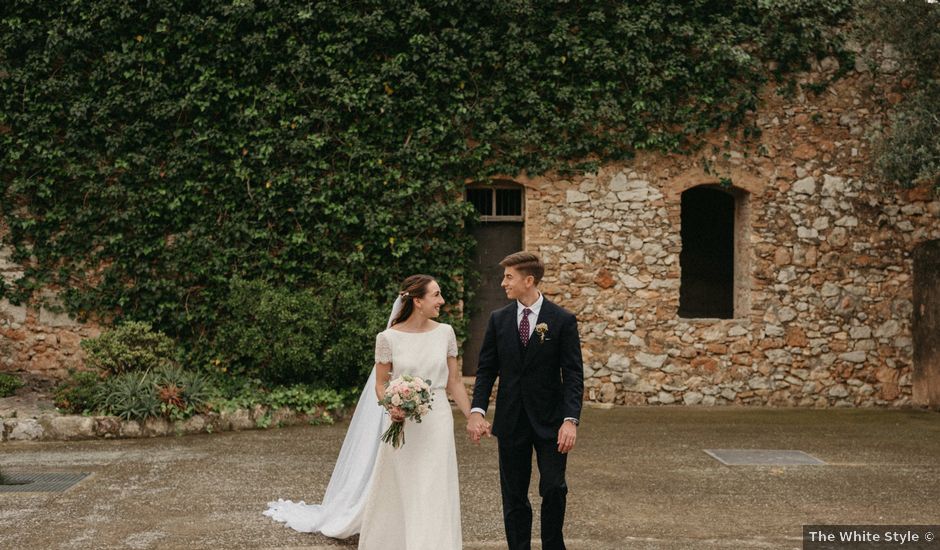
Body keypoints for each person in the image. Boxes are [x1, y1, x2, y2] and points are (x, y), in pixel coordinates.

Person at [265, 274, 471, 550]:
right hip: (402, 421)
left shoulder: (445, 332)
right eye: (436, 295)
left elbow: (454, 382)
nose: (442, 300)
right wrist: (393, 406)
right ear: (418, 301)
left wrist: (473, 416)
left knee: (435, 483)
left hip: (438, 420)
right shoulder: (388, 338)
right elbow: (381, 383)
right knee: (402, 484)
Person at [467, 251, 584, 550]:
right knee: (515, 494)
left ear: (528, 280)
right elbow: (486, 370)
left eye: (509, 277)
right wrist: (477, 411)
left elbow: (573, 375)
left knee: (554, 487)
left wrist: (570, 420)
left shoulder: (562, 320)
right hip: (511, 421)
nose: (503, 282)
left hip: (552, 422)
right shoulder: (498, 320)